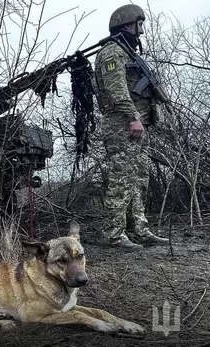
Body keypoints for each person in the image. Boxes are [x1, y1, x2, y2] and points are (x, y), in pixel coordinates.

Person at [93, 4, 169, 250]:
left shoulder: (129, 53)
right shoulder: (112, 52)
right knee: (121, 179)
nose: (142, 30)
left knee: (139, 180)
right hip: (123, 124)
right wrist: (133, 117)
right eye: (140, 24)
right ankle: (113, 235)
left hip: (137, 125)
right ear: (128, 23)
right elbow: (117, 91)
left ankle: (138, 230)